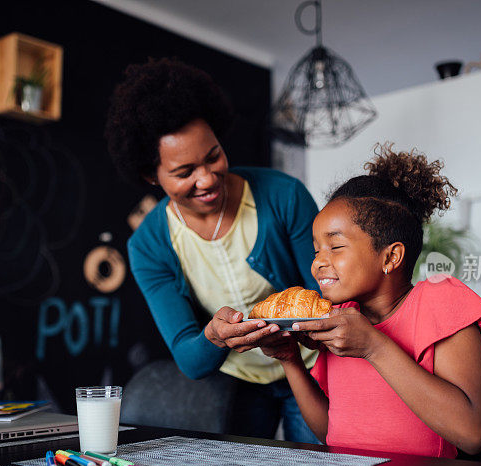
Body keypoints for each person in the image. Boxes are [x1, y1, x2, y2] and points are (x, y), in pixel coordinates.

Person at [105, 58, 320, 443]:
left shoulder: (283, 196)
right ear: (151, 176)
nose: (207, 178)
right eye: (184, 172)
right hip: (240, 384)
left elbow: (328, 301)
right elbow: (190, 358)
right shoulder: (149, 245)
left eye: (213, 156)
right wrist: (215, 337)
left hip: (314, 368)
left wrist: (291, 340)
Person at [261, 143, 481, 457]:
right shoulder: (343, 318)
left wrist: (373, 345)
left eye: (336, 247)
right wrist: (290, 360)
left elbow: (472, 433)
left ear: (392, 257)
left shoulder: (439, 299)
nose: (318, 262)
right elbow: (331, 432)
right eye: (317, 249)